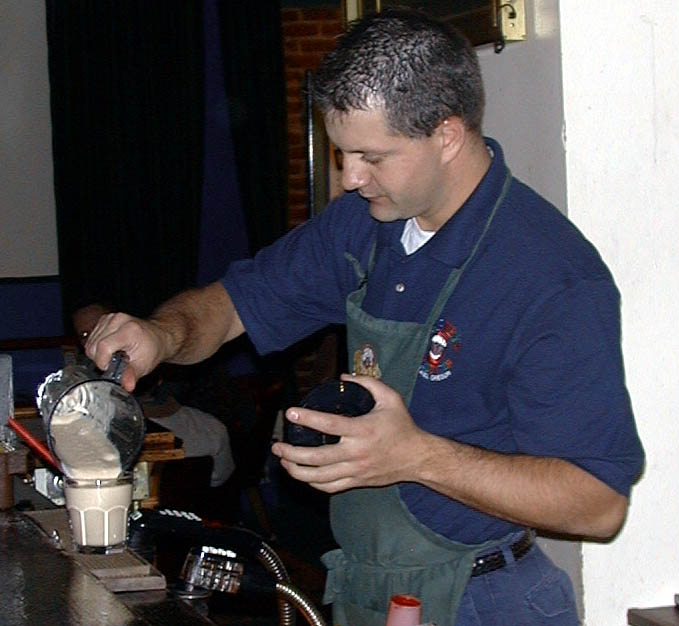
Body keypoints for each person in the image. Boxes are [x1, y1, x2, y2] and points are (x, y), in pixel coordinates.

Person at [85, 8, 644, 625]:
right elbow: (234, 304)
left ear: (447, 136)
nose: (350, 178)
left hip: (483, 599)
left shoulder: (549, 274)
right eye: (342, 152)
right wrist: (161, 334)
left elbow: (598, 503)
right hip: (368, 587)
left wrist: (416, 456)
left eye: (371, 156)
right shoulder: (366, 224)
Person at [73, 302, 235, 488]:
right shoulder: (87, 428)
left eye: (100, 327)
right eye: (85, 335)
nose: (96, 339)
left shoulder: (210, 428)